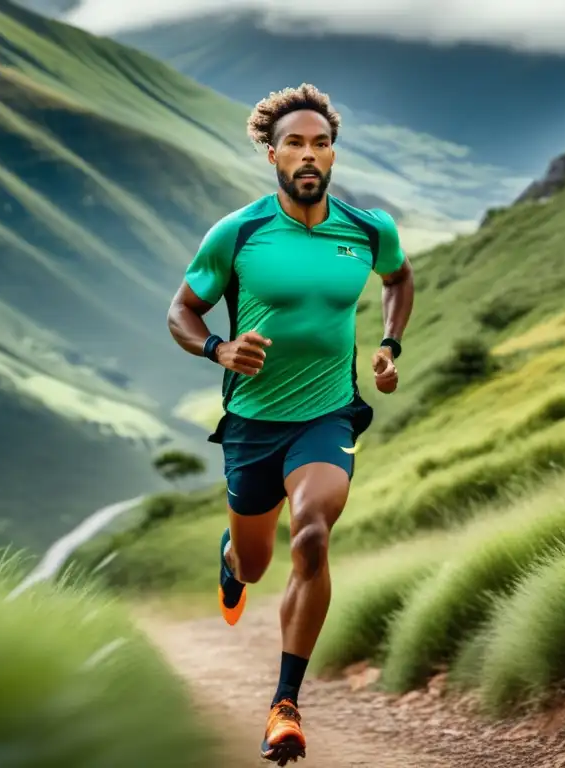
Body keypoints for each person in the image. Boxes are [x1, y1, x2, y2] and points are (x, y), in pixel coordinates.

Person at [166, 83, 414, 765]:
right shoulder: (238, 233)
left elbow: (398, 279)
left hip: (327, 415)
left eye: (322, 143)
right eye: (296, 144)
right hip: (251, 423)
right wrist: (219, 347)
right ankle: (231, 559)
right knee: (253, 561)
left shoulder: (367, 231)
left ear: (333, 153)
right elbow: (180, 311)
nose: (310, 155)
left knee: (311, 534)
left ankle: (285, 704)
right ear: (272, 153)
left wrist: (390, 347)